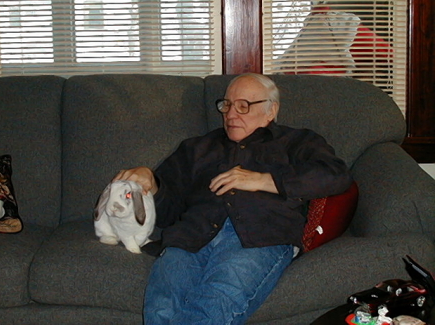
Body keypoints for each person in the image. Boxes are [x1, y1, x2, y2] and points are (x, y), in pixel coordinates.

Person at [114, 73, 352, 324]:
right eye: (226, 105)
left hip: (259, 237)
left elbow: (335, 175)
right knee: (161, 309)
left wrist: (263, 180)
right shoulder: (197, 148)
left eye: (243, 106)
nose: (230, 114)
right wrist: (151, 184)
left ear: (271, 111)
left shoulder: (296, 142)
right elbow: (167, 212)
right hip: (191, 236)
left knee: (213, 305)